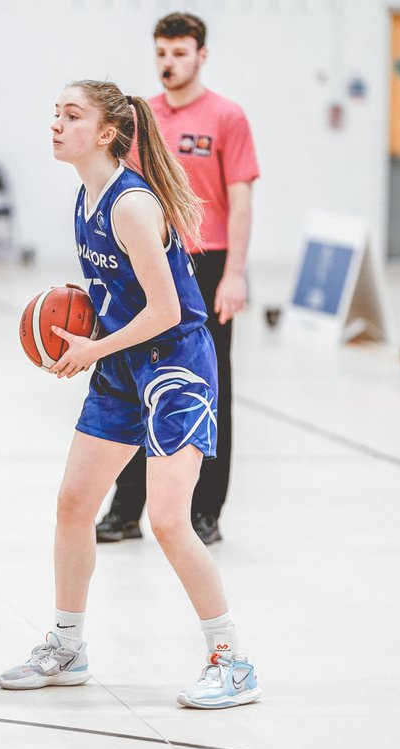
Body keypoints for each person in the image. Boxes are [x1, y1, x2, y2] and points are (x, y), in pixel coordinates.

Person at [0, 79, 260, 710]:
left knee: (168, 521)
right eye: (54, 113)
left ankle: (232, 660)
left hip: (175, 369)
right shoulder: (85, 196)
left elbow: (168, 309)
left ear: (108, 132)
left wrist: (90, 349)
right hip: (120, 364)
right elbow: (126, 293)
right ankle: (67, 645)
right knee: (72, 503)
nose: (56, 124)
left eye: (71, 115)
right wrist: (89, 313)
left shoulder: (131, 205)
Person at [96, 12, 259, 546]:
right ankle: (125, 510)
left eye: (180, 53)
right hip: (153, 259)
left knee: (209, 389)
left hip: (207, 263)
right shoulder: (141, 118)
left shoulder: (228, 117)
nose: (169, 63)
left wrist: (234, 274)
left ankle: (205, 511)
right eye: (162, 53)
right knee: (132, 379)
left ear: (201, 56)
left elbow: (240, 200)